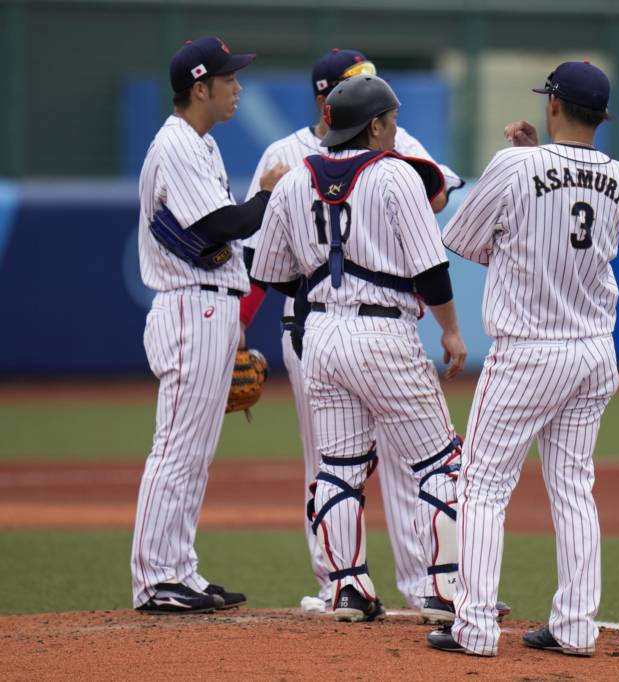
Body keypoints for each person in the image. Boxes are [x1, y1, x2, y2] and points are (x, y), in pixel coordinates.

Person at [237, 47, 467, 616]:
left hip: (319, 337)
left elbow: (267, 273)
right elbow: (431, 270)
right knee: (440, 463)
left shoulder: (292, 182)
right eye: (389, 119)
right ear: (376, 125)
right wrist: (452, 333)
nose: (394, 127)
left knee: (337, 467)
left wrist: (323, 299)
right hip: (385, 332)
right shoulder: (394, 177)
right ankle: (442, 588)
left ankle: (346, 585)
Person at [426, 61, 619, 657]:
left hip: (529, 350)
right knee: (573, 488)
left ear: (553, 105)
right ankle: (575, 628)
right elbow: (570, 219)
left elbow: (463, 240)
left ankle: (473, 628)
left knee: (482, 485)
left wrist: (523, 170)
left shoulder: (515, 164)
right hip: (594, 351)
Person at [132, 36, 287, 614]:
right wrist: (268, 195)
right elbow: (225, 223)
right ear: (200, 88)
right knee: (175, 450)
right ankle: (154, 580)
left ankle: (179, 570)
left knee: (194, 453)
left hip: (211, 303)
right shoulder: (176, 145)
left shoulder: (201, 145)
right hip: (187, 306)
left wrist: (236, 311)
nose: (237, 86)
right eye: (228, 79)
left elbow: (217, 238)